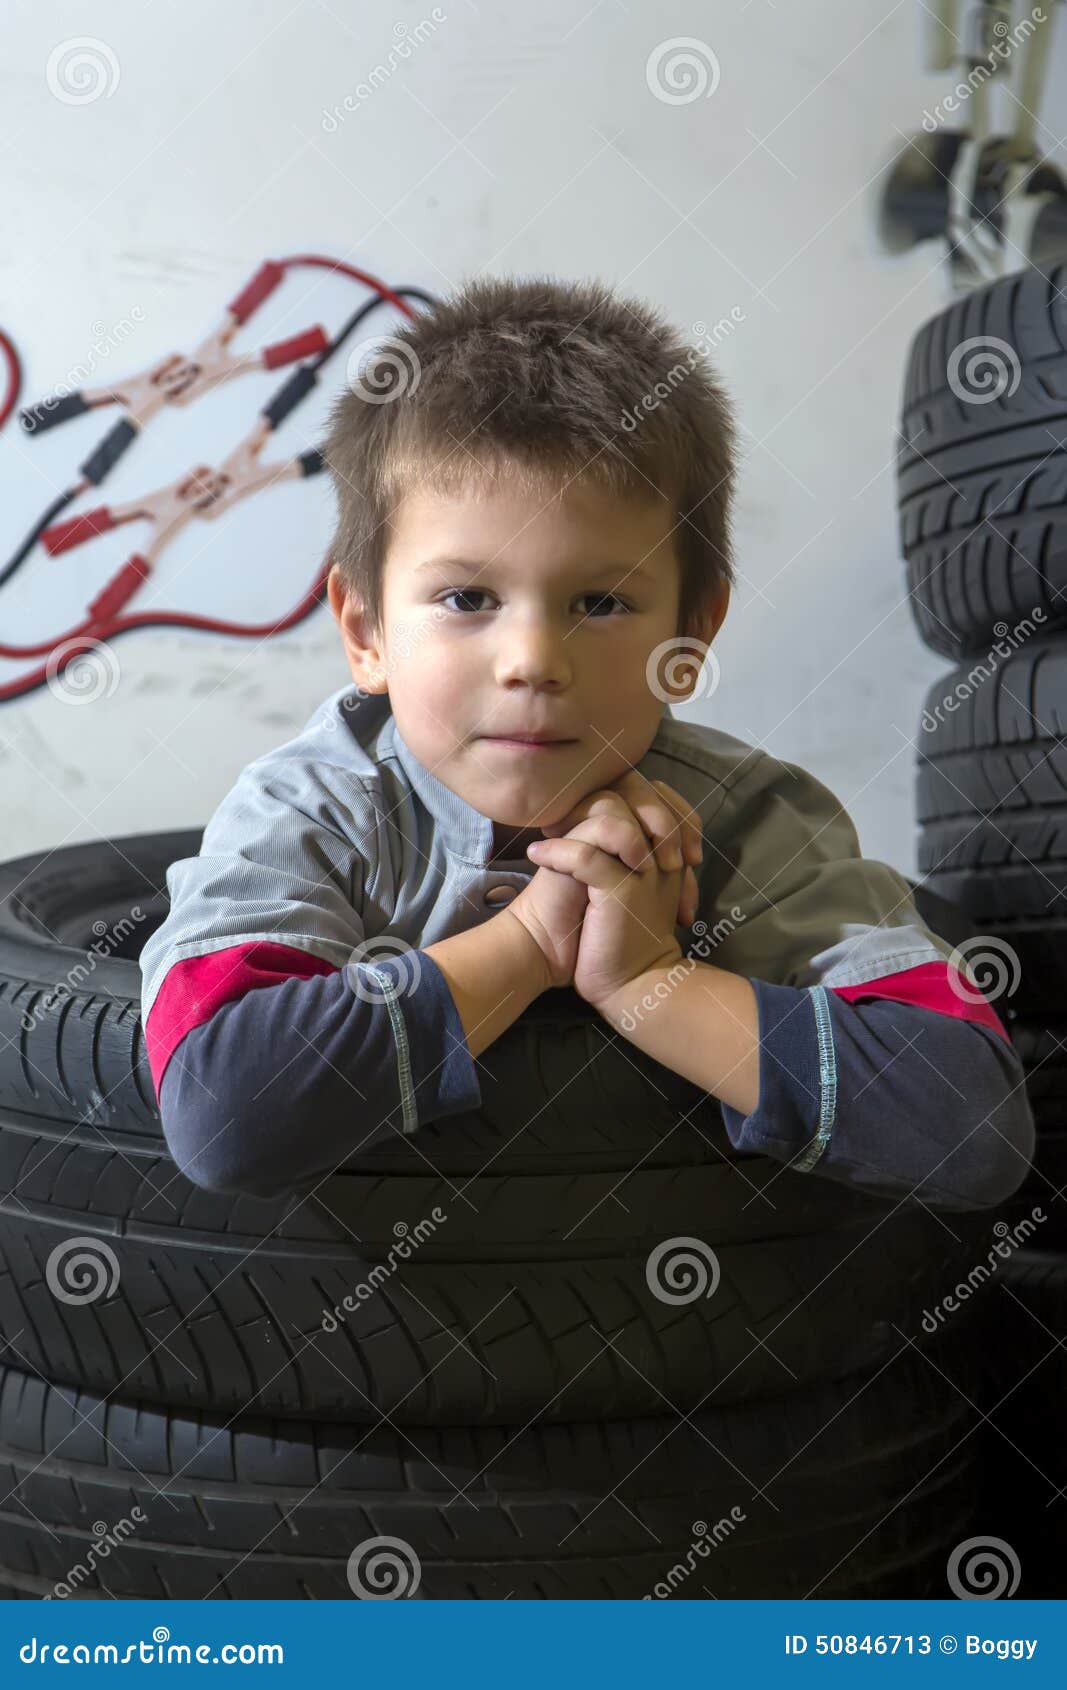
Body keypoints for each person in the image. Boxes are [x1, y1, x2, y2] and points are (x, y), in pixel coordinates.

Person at [138, 272, 1035, 1210]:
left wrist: (649, 979)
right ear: (364, 633)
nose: (532, 660)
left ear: (688, 639)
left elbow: (968, 1133)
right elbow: (225, 1113)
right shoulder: (311, 810)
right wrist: (531, 938)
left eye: (599, 603)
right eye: (465, 599)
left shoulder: (757, 820)